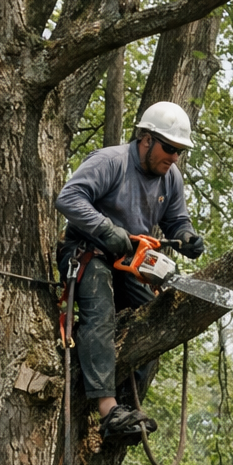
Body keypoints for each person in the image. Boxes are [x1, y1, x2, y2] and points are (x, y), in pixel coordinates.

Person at [55, 101, 205, 445]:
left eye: (180, 151)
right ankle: (108, 409)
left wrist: (186, 236)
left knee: (157, 316)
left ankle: (127, 408)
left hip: (130, 260)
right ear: (146, 139)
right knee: (100, 313)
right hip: (87, 251)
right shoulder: (111, 162)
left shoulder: (171, 178)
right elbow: (69, 198)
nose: (174, 158)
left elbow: (177, 220)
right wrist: (105, 229)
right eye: (169, 148)